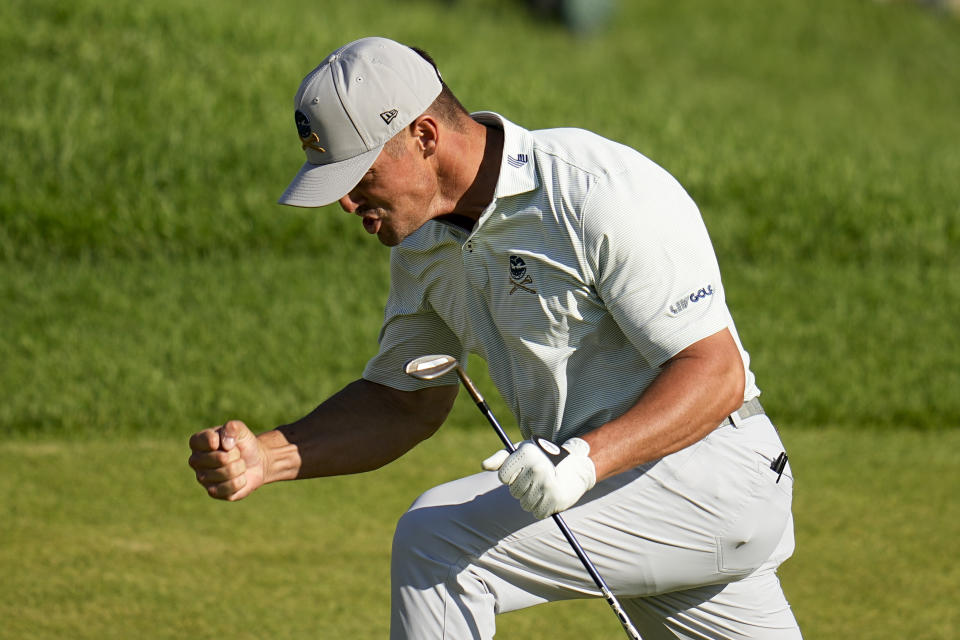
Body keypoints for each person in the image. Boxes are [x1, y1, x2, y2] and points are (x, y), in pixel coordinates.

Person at [188, 36, 802, 639]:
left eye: (359, 174)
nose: (346, 203)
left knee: (437, 542)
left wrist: (585, 463)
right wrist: (269, 456)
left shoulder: (592, 191)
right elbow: (403, 401)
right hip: (624, 497)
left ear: (423, 136)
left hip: (712, 476)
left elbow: (714, 369)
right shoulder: (423, 244)